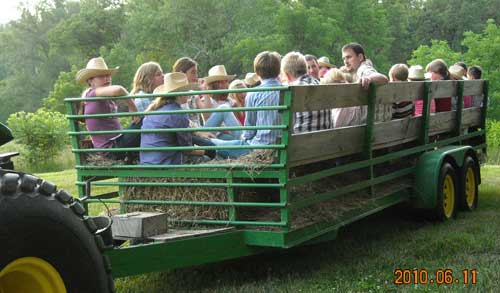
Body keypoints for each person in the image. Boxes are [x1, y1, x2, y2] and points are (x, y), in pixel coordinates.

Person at [210, 51, 282, 158]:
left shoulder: (254, 94)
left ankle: (199, 140)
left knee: (212, 142)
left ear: (257, 73)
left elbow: (249, 131)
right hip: (283, 147)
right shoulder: (289, 90)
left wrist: (242, 141)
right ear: (278, 70)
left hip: (259, 150)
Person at [140, 72, 214, 165]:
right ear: (180, 94)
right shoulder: (178, 113)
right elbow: (187, 149)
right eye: (186, 90)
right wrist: (207, 151)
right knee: (207, 157)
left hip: (147, 162)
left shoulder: (154, 110)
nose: (188, 93)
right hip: (166, 164)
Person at [76, 57, 140, 160]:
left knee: (147, 122)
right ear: (90, 81)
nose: (107, 78)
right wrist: (134, 109)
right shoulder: (92, 94)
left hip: (117, 144)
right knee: (146, 122)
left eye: (108, 75)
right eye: (101, 76)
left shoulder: (104, 97)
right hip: (111, 150)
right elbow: (118, 90)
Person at [281, 51, 333, 133]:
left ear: (287, 75)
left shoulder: (292, 89)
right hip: (327, 142)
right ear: (306, 68)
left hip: (300, 144)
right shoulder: (320, 84)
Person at [341, 43, 390, 123]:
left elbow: (383, 78)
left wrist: (368, 78)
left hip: (369, 126)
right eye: (343, 59)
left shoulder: (363, 69)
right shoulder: (360, 68)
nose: (345, 61)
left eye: (349, 57)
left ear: (360, 57)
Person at [172, 57, 215, 146]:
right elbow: (184, 120)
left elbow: (207, 114)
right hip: (191, 135)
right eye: (193, 72)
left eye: (196, 72)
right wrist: (199, 133)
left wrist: (204, 90)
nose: (196, 76)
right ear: (182, 74)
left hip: (200, 131)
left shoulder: (192, 94)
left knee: (224, 109)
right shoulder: (174, 96)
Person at [201, 65, 242, 140]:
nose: (225, 85)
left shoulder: (230, 101)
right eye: (221, 82)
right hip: (214, 134)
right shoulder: (206, 100)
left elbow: (237, 123)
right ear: (214, 85)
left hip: (230, 134)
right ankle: (245, 144)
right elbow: (207, 119)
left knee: (233, 138)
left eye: (226, 81)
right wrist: (224, 129)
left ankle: (244, 142)